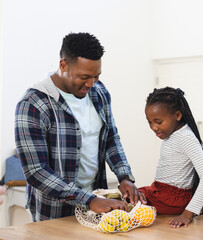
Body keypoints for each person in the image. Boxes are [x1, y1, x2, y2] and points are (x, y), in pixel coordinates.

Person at [15, 32, 145, 221]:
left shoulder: (99, 93)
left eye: (96, 76)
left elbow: (110, 138)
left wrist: (124, 176)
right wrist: (88, 199)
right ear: (63, 65)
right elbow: (36, 171)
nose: (91, 84)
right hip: (53, 212)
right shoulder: (33, 103)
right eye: (84, 76)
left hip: (97, 204)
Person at [141, 87, 203, 228]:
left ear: (178, 115)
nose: (153, 127)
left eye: (158, 122)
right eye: (149, 122)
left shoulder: (185, 137)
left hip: (171, 199)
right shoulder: (175, 134)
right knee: (128, 195)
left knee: (125, 202)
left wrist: (187, 214)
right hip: (161, 192)